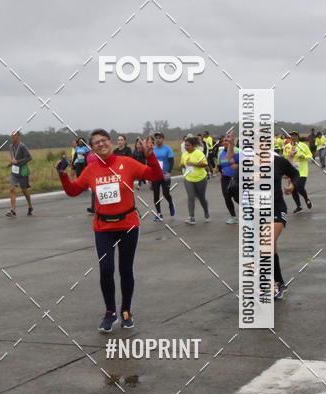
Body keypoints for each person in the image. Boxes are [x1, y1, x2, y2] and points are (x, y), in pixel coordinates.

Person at [56, 129, 163, 332]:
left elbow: (155, 175)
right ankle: (110, 312)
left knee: (125, 270)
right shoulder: (90, 170)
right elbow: (72, 191)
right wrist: (62, 175)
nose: (100, 144)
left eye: (103, 140)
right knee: (106, 270)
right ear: (92, 148)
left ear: (111, 142)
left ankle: (126, 311)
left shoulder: (128, 163)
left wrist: (149, 155)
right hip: (103, 227)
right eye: (95, 143)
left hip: (128, 225)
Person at [272, 151, 301, 300]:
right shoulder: (248, 164)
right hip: (257, 210)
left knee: (267, 243)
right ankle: (279, 283)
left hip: (277, 208)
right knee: (270, 247)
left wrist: (292, 186)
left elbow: (295, 174)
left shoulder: (277, 161)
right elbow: (236, 184)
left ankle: (276, 284)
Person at [181, 136, 210, 224]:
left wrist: (193, 163)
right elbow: (182, 164)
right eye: (185, 145)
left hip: (200, 178)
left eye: (188, 145)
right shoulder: (184, 154)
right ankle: (191, 217)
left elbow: (205, 164)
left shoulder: (199, 153)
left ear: (193, 145)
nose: (186, 147)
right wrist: (181, 165)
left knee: (201, 198)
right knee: (191, 197)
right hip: (188, 178)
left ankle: (206, 212)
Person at [283, 132, 313, 212]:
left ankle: (306, 198)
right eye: (292, 135)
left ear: (298, 137)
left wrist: (304, 156)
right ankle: (298, 206)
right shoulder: (286, 147)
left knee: (299, 187)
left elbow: (310, 155)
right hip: (292, 170)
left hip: (302, 170)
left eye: (295, 135)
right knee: (293, 189)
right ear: (290, 137)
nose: (294, 137)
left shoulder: (303, 146)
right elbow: (285, 159)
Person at [6, 131, 33, 217]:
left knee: (24, 190)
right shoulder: (10, 147)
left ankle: (30, 206)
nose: (12, 138)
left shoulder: (22, 146)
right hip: (14, 171)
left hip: (23, 171)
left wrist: (18, 161)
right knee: (12, 189)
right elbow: (13, 158)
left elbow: (29, 157)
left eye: (14, 136)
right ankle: (13, 210)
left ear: (18, 137)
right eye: (11, 136)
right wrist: (10, 164)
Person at [151, 133, 175, 219]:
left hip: (165, 175)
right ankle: (159, 213)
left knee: (166, 193)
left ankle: (171, 204)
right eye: (156, 138)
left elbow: (171, 161)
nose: (158, 139)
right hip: (155, 175)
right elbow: (150, 162)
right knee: (156, 195)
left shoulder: (167, 149)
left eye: (160, 138)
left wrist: (169, 172)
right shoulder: (152, 149)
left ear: (163, 139)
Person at [217, 134, 239, 224]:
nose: (225, 142)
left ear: (232, 141)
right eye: (224, 140)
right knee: (227, 197)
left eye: (227, 140)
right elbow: (219, 164)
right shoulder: (221, 152)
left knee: (237, 198)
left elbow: (247, 163)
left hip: (236, 177)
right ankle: (233, 217)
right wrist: (219, 171)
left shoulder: (237, 151)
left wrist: (238, 165)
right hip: (225, 177)